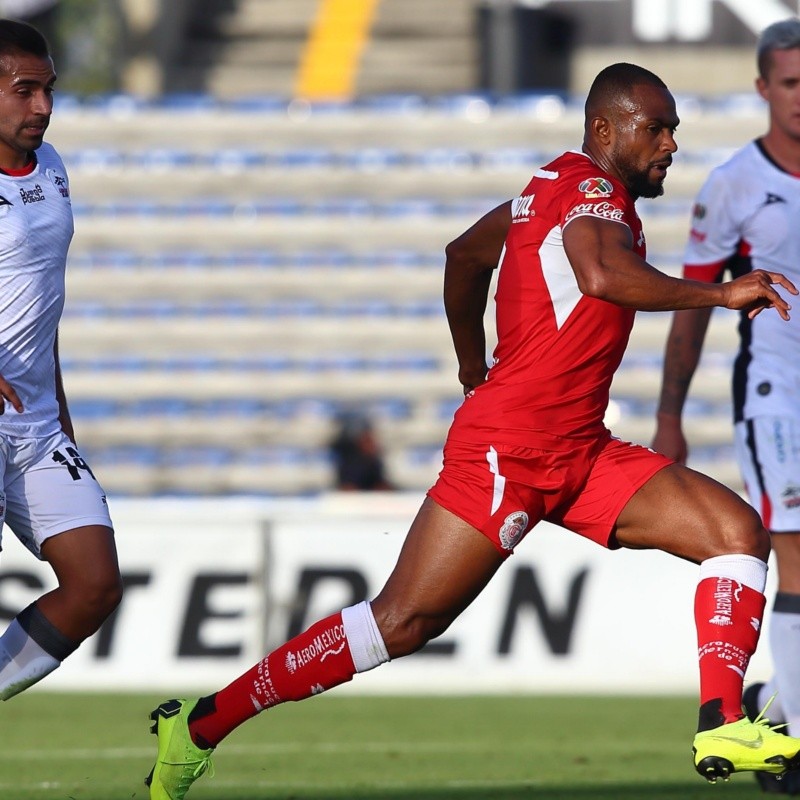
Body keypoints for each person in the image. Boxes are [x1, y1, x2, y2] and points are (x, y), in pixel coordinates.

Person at [146, 62, 800, 799]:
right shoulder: (590, 191)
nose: (672, 144)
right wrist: (719, 291)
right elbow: (600, 277)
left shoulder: (546, 190)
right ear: (604, 129)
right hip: (508, 452)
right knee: (401, 622)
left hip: (581, 450)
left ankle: (720, 719)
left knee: (735, 533)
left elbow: (464, 256)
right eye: (657, 128)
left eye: (674, 128)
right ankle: (198, 726)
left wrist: (470, 362)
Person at [651, 17, 800, 795]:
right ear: (763, 89)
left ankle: (775, 714)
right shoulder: (734, 185)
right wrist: (670, 413)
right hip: (777, 393)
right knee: (796, 556)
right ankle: (793, 742)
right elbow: (694, 305)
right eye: (790, 83)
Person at [0, 19, 121, 701]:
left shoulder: (52, 168)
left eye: (48, 90)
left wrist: (61, 410)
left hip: (37, 422)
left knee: (96, 586)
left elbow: (41, 304)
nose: (43, 106)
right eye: (25, 91)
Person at [329, 410, 393, 491]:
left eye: (371, 439)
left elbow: (379, 484)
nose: (372, 444)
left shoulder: (374, 461)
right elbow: (347, 487)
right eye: (367, 440)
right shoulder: (349, 462)